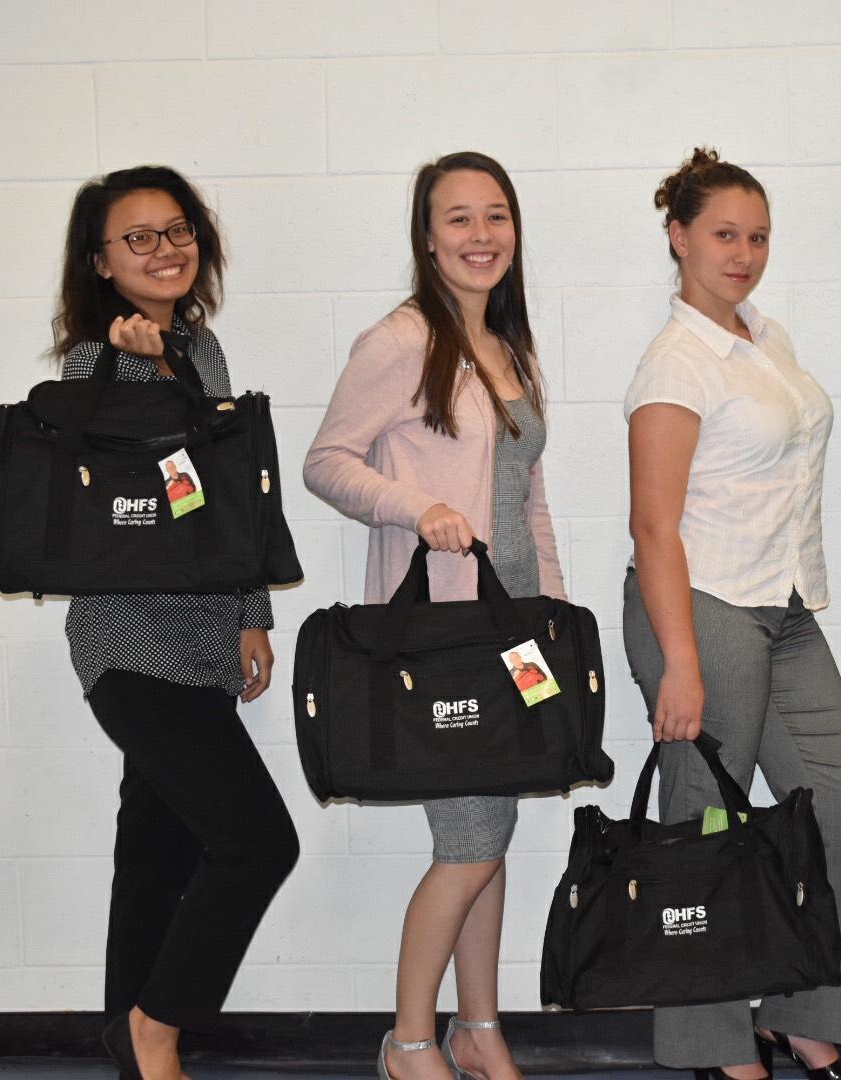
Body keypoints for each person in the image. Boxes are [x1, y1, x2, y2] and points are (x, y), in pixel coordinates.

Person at [622, 147, 841, 1080]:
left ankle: (806, 1016)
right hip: (700, 607)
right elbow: (654, 526)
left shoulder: (763, 338)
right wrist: (681, 662)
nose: (744, 252)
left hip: (783, 604)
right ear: (678, 236)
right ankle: (711, 1046)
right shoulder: (676, 362)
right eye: (724, 234)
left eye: (758, 236)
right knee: (706, 830)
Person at [304, 151, 562, 1080]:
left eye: (497, 216)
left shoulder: (512, 345)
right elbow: (326, 462)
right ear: (426, 236)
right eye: (459, 219)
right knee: (467, 841)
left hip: (514, 631)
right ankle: (409, 1041)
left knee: (489, 831)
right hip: (444, 638)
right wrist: (419, 511)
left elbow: (527, 497)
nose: (481, 236)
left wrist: (554, 620)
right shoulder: (399, 340)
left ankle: (479, 1029)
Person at [51, 165, 300, 1080]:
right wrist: (145, 372)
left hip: (201, 637)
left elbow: (226, 496)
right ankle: (157, 1031)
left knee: (155, 847)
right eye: (140, 237)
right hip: (128, 639)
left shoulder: (204, 348)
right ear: (102, 263)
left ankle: (132, 1042)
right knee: (258, 842)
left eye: (177, 229)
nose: (166, 249)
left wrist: (250, 614)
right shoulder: (93, 363)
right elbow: (142, 490)